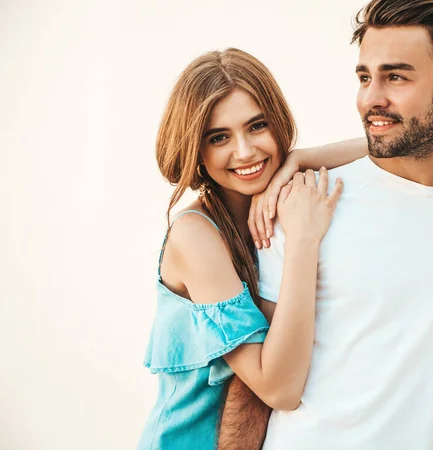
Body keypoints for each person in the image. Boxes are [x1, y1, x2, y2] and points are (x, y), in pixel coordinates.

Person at [220, 1, 433, 449]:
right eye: (365, 77)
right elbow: (255, 392)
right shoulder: (307, 204)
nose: (371, 98)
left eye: (397, 76)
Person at [138, 48, 367, 449]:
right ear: (196, 150)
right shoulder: (195, 236)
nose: (244, 152)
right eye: (219, 137)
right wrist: (302, 241)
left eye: (257, 126)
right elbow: (279, 389)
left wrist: (299, 159)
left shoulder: (275, 200)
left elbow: (387, 147)